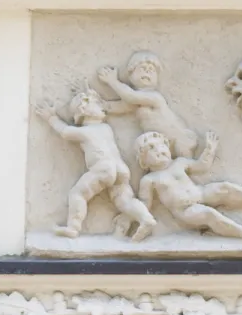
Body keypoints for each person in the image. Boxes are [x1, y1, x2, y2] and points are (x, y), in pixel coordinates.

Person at [35, 87, 157, 241]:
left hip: (102, 168)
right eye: (98, 104)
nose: (102, 107)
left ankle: (73, 227)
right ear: (84, 109)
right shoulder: (106, 128)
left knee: (78, 194)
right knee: (125, 201)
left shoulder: (84, 131)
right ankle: (146, 219)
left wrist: (51, 118)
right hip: (121, 169)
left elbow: (65, 131)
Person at [135, 131, 242, 240]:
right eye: (151, 148)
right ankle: (241, 232)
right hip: (185, 210)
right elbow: (144, 205)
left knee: (224, 187)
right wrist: (135, 216)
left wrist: (209, 149)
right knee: (209, 214)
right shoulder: (149, 179)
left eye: (162, 145)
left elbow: (201, 167)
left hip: (200, 193)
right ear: (143, 161)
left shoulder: (180, 163)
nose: (159, 150)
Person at [98, 51, 198, 158]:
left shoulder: (154, 97)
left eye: (152, 70)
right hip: (161, 146)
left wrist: (113, 81)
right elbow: (119, 107)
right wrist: (100, 104)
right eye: (142, 68)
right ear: (130, 75)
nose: (147, 71)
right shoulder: (136, 103)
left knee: (184, 162)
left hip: (178, 138)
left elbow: (130, 96)